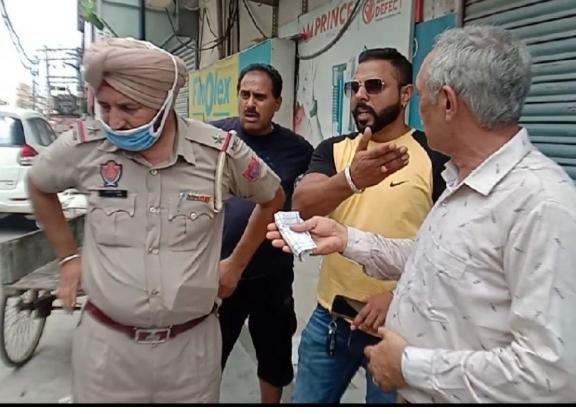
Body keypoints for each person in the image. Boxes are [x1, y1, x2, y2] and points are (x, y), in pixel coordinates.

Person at [267, 26, 576, 403]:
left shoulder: (542, 204)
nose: (420, 110)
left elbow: (551, 375)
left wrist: (408, 366)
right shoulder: (465, 180)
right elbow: (431, 261)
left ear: (448, 102)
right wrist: (347, 239)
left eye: (422, 96)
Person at [27, 38, 285, 403]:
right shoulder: (85, 147)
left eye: (128, 107)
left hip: (191, 353)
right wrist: (69, 257)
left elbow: (272, 196)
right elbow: (38, 184)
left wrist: (236, 264)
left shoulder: (218, 153)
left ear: (165, 103)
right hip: (106, 351)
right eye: (105, 106)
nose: (114, 120)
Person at [290, 48, 447, 404]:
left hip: (399, 327)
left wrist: (396, 297)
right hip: (331, 320)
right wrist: (351, 178)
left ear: (406, 94)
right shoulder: (335, 150)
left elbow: (448, 246)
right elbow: (303, 204)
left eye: (374, 86)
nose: (361, 95)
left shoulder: (432, 154)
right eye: (354, 87)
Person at [209, 63, 313, 403]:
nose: (250, 104)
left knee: (274, 357)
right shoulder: (214, 138)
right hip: (220, 272)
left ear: (277, 102)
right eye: (245, 95)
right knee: (207, 359)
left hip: (272, 275)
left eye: (260, 97)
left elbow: (306, 201)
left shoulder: (297, 150)